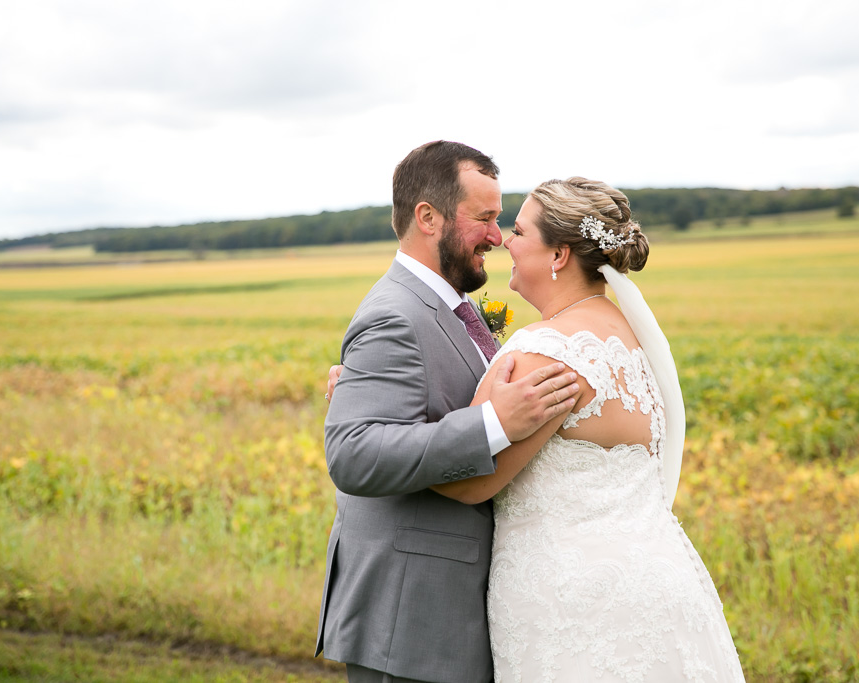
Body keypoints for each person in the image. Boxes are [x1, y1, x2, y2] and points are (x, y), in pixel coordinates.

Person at [431, 177, 745, 682]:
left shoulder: (545, 350)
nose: (504, 242)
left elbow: (468, 480)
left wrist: (375, 421)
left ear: (558, 254)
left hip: (572, 602)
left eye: (517, 230)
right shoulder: (632, 342)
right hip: (662, 586)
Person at [317, 141, 581, 683]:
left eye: (499, 219)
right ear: (428, 217)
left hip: (449, 610)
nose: (496, 236)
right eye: (483, 218)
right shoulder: (395, 315)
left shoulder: (448, 306)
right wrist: (492, 424)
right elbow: (353, 453)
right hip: (410, 618)